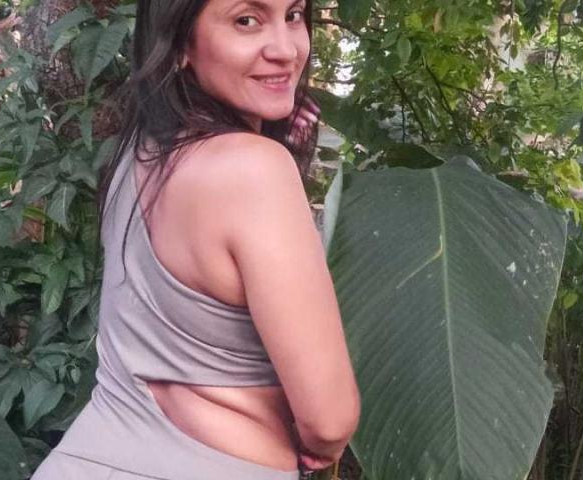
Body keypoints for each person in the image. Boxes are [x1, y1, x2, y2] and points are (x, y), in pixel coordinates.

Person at [31, 0, 360, 478]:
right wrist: (322, 442)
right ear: (180, 42)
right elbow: (329, 421)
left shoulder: (139, 157)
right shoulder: (254, 169)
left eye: (293, 15)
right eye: (246, 20)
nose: (286, 49)